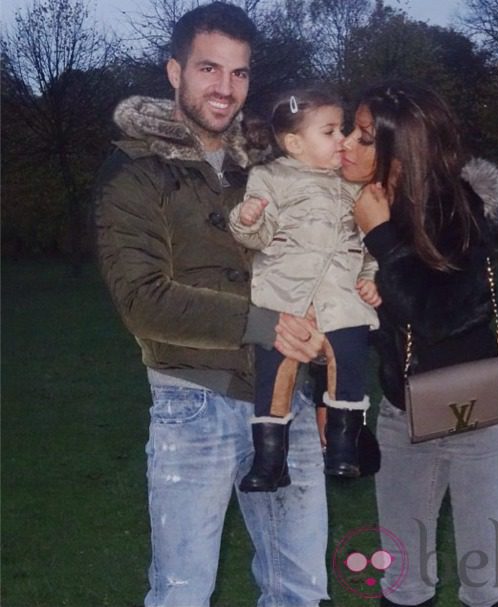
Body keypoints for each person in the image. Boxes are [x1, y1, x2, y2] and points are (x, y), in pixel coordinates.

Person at [93, 4, 330, 606]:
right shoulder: (134, 173)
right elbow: (143, 299)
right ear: (175, 72)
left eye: (239, 72)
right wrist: (267, 324)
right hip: (193, 402)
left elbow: (317, 268)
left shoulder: (274, 166)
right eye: (209, 69)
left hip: (288, 398)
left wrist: (331, 379)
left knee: (301, 591)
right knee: (182, 593)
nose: (225, 87)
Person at [341, 81, 498, 607]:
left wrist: (382, 237)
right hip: (403, 415)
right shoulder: (346, 209)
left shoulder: (457, 213)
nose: (345, 144)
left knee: (485, 583)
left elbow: (439, 317)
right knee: (402, 582)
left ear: (401, 155)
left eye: (363, 137)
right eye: (350, 130)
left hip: (479, 414)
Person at [229, 87, 381, 490]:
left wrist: (369, 277)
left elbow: (371, 244)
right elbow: (258, 237)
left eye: (342, 129)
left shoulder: (353, 185)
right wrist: (247, 219)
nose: (342, 139)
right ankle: (269, 460)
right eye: (329, 132)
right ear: (295, 143)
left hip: (341, 298)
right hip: (286, 300)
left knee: (348, 365)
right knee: (274, 376)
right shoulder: (270, 177)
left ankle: (343, 448)